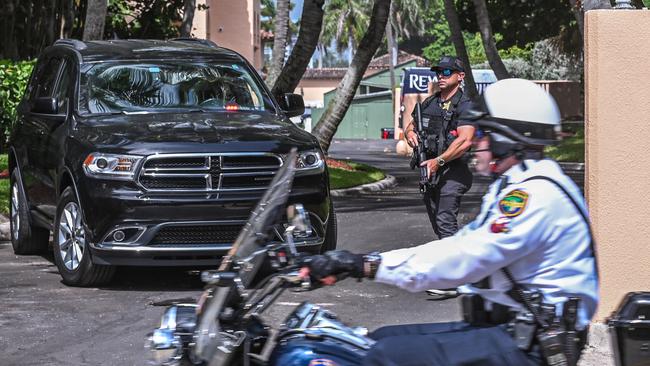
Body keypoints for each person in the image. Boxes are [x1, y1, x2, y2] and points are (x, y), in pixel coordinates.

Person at [301, 79, 599, 366]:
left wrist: (365, 265)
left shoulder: (534, 195)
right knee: (378, 340)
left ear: (507, 139)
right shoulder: (523, 183)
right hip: (513, 330)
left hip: (531, 345)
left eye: (483, 132)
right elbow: (462, 244)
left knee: (387, 355)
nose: (471, 139)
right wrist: (360, 264)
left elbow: (463, 259)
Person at [404, 56, 475, 300]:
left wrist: (439, 161)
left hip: (453, 171)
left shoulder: (465, 105)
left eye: (447, 71)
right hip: (429, 169)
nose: (441, 76)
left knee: (445, 219)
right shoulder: (430, 102)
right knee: (438, 222)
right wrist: (411, 136)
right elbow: (411, 126)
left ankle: (451, 279)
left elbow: (465, 140)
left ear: (460, 76)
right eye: (438, 72)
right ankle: (466, 265)